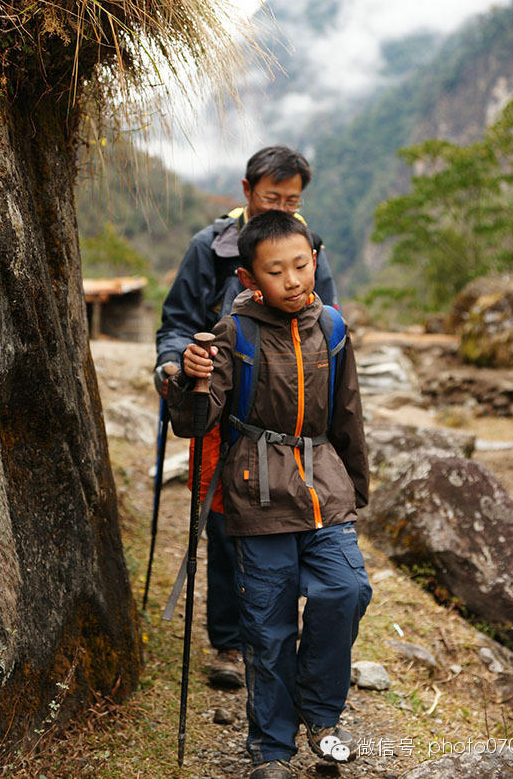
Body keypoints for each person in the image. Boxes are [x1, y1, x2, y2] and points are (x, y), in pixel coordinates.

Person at [167, 210, 372, 779]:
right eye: (277, 271)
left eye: (302, 265)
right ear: (251, 278)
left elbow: (348, 412)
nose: (293, 280)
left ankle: (321, 711)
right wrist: (193, 378)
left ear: (315, 259)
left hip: (323, 485)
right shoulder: (235, 333)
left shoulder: (331, 328)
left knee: (347, 589)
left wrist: (356, 487)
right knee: (268, 624)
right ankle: (272, 751)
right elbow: (197, 420)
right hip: (258, 495)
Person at [154, 146, 339, 689]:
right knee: (224, 519)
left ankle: (281, 635)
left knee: (295, 522)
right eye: (270, 197)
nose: (280, 205)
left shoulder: (311, 249)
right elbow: (178, 321)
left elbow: (326, 325)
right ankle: (232, 644)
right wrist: (174, 366)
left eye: (291, 199)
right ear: (246, 190)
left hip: (286, 416)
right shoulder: (209, 249)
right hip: (220, 404)